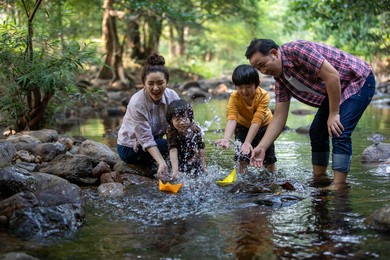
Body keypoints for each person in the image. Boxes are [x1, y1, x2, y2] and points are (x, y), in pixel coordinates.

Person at [245, 39, 376, 188]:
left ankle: (339, 186)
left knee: (339, 130)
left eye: (262, 65)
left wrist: (334, 113)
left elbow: (332, 76)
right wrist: (262, 147)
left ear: (274, 53)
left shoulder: (298, 51)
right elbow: (279, 116)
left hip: (358, 80)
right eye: (258, 69)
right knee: (316, 131)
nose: (263, 71)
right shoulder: (281, 80)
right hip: (334, 89)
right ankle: (319, 179)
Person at [117, 53, 180, 179]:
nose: (155, 88)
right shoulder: (138, 103)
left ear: (167, 82)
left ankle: (181, 172)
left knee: (185, 140)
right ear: (144, 84)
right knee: (175, 145)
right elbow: (145, 139)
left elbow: (182, 123)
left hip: (155, 140)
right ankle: (169, 169)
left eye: (160, 83)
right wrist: (161, 162)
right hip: (130, 148)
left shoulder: (172, 96)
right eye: (150, 83)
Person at [215, 64, 277, 173]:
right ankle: (242, 178)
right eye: (240, 88)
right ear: (235, 86)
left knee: (269, 158)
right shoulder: (234, 97)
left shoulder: (264, 96)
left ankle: (273, 177)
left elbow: (257, 120)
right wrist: (226, 138)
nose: (244, 91)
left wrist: (248, 142)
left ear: (257, 84)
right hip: (242, 126)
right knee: (241, 157)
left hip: (264, 126)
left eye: (248, 87)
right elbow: (232, 118)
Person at [166, 99, 207, 179]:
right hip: (179, 157)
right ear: (171, 121)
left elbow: (201, 148)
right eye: (177, 119)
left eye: (185, 118)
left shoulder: (195, 130)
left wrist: (204, 167)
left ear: (190, 117)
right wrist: (175, 171)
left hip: (192, 157)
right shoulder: (171, 130)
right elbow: (173, 150)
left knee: (198, 172)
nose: (182, 123)